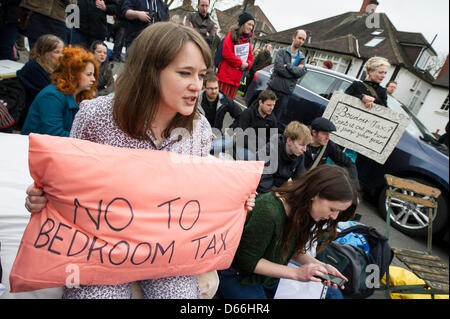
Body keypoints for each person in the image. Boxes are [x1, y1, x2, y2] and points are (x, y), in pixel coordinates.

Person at [24, 22, 256, 299]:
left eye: (201, 75)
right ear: (149, 71)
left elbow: (198, 190)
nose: (197, 86)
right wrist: (40, 198)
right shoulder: (95, 116)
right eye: (185, 73)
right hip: (102, 246)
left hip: (166, 248)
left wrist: (235, 200)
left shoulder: (200, 130)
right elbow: (66, 186)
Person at [217, 164, 359, 299]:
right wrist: (296, 273)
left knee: (333, 295)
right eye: (332, 209)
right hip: (237, 275)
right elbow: (246, 261)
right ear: (315, 194)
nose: (334, 217)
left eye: (338, 212)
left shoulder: (304, 210)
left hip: (268, 275)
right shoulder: (269, 211)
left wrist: (320, 267)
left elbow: (292, 249)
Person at [21, 46, 98, 137]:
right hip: (35, 147)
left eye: (93, 75)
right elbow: (55, 135)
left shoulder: (80, 96)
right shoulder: (51, 97)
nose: (93, 79)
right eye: (88, 74)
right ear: (72, 74)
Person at [16, 34, 64, 129]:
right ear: (44, 53)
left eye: (62, 52)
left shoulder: (55, 68)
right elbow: (52, 96)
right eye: (57, 52)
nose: (61, 56)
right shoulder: (33, 68)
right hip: (33, 118)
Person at [256, 121, 312, 194]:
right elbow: (263, 183)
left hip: (276, 189)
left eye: (306, 145)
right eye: (301, 145)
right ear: (289, 141)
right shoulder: (269, 150)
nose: (304, 149)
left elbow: (300, 179)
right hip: (258, 189)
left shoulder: (299, 155)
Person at [303, 117, 360, 189]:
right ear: (314, 132)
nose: (328, 137)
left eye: (329, 134)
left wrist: (354, 188)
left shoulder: (328, 145)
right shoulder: (300, 140)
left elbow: (349, 163)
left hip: (310, 184)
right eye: (324, 134)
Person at [267, 29, 307, 125]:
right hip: (273, 89)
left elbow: (300, 73)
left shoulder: (302, 57)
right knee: (263, 114)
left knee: (275, 120)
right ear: (294, 37)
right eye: (299, 38)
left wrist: (288, 66)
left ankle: (267, 139)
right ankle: (252, 137)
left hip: (285, 93)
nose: (301, 41)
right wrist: (293, 73)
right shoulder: (282, 51)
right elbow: (279, 68)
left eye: (303, 39)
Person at [197, 71, 242, 155]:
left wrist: (230, 130)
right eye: (210, 88)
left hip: (216, 137)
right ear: (204, 87)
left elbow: (241, 115)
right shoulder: (196, 100)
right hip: (198, 134)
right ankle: (204, 150)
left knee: (229, 141)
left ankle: (204, 150)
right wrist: (205, 132)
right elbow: (186, 118)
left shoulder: (224, 100)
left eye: (216, 88)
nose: (214, 91)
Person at [216, 11, 254, 99]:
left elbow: (251, 58)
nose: (251, 27)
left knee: (227, 106)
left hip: (236, 79)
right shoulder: (232, 35)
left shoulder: (248, 40)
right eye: (249, 24)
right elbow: (227, 53)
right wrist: (240, 63)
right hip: (225, 76)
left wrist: (248, 64)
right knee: (218, 103)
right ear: (243, 23)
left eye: (252, 25)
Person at [231, 89, 278, 160]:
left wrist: (263, 152)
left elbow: (272, 140)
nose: (271, 108)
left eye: (273, 105)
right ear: (260, 102)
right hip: (243, 146)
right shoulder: (248, 113)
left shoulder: (272, 119)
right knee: (253, 159)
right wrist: (254, 150)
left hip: (259, 151)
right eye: (269, 105)